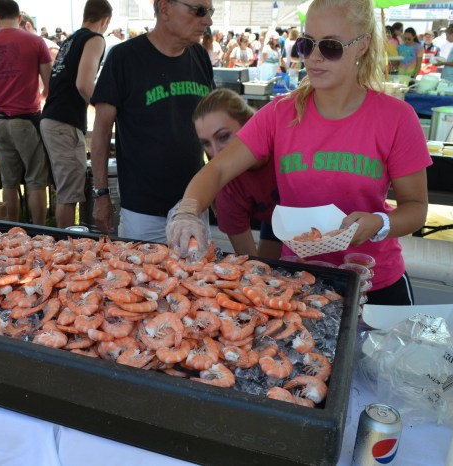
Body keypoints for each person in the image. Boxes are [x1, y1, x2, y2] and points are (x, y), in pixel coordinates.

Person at [167, 0, 431, 306]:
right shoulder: (280, 114)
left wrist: (379, 223)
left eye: (331, 47)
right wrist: (187, 211)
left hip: (375, 281)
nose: (315, 58)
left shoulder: (396, 118)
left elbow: (415, 208)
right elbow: (218, 170)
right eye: (306, 44)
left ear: (362, 46)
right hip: (301, 283)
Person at [89, 0, 214, 241]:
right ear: (165, 8)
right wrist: (101, 193)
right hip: (143, 211)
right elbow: (101, 131)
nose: (207, 20)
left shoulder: (199, 56)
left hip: (194, 205)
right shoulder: (124, 58)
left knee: (196, 277)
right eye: (199, 11)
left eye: (210, 11)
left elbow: (211, 127)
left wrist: (218, 187)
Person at [0, 0, 52, 225]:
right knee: (35, 181)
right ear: (19, 18)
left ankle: (12, 235)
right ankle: (39, 233)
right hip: (27, 120)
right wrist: (40, 98)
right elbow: (49, 85)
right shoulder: (35, 42)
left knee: (9, 183)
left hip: (0, 122)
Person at [39, 0, 112, 229]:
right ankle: (65, 250)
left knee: (68, 189)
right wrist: (103, 111)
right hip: (63, 121)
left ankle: (68, 245)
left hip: (53, 118)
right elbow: (83, 84)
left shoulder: (70, 40)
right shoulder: (95, 39)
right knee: (69, 194)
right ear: (105, 20)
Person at [193, 88, 280, 258]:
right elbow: (251, 263)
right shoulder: (227, 190)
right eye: (206, 143)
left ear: (251, 124)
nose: (216, 152)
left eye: (223, 136)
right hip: (275, 221)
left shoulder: (285, 145)